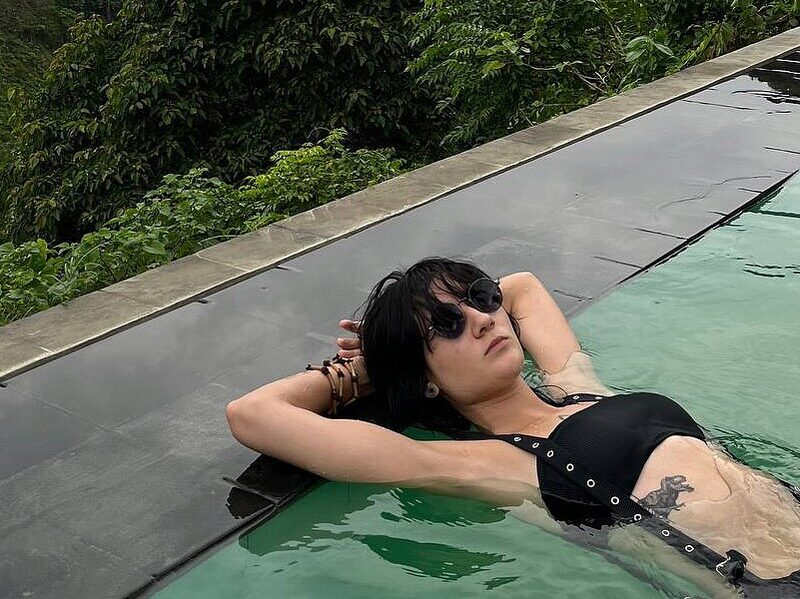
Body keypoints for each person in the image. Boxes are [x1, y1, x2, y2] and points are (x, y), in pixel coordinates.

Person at [225, 257, 800, 598]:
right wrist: (372, 368)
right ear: (424, 379)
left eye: (478, 299)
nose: (480, 319)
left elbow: (521, 286)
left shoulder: (578, 385)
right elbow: (252, 414)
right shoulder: (484, 465)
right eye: (446, 325)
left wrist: (421, 334)